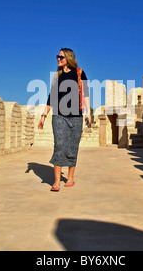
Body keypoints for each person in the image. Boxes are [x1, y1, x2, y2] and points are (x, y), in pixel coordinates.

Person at [38, 48, 91, 192]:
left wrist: (88, 113)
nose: (58, 59)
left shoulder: (80, 73)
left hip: (76, 116)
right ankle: (56, 182)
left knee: (72, 147)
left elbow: (85, 93)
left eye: (60, 57)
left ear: (68, 58)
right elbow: (51, 98)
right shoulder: (57, 76)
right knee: (60, 145)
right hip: (59, 116)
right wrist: (43, 116)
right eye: (57, 57)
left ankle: (70, 178)